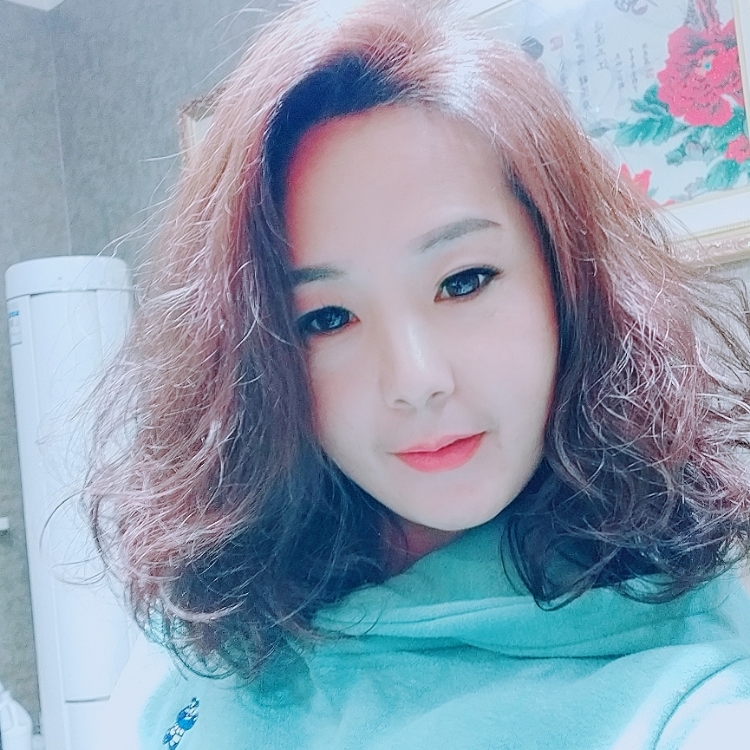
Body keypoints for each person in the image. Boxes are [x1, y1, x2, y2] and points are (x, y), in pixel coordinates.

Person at [90, 0, 750, 747]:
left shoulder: (681, 694)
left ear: (566, 277)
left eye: (463, 282)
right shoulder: (212, 611)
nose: (414, 379)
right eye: (327, 318)